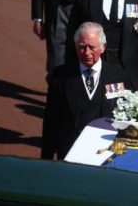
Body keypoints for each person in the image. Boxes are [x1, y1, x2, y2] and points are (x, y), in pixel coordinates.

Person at [41, 22, 130, 160]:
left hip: (105, 151)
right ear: (76, 47)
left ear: (103, 47)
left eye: (92, 47)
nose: (87, 52)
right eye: (82, 47)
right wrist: (46, 158)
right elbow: (51, 121)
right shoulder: (61, 76)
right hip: (71, 151)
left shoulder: (118, 76)